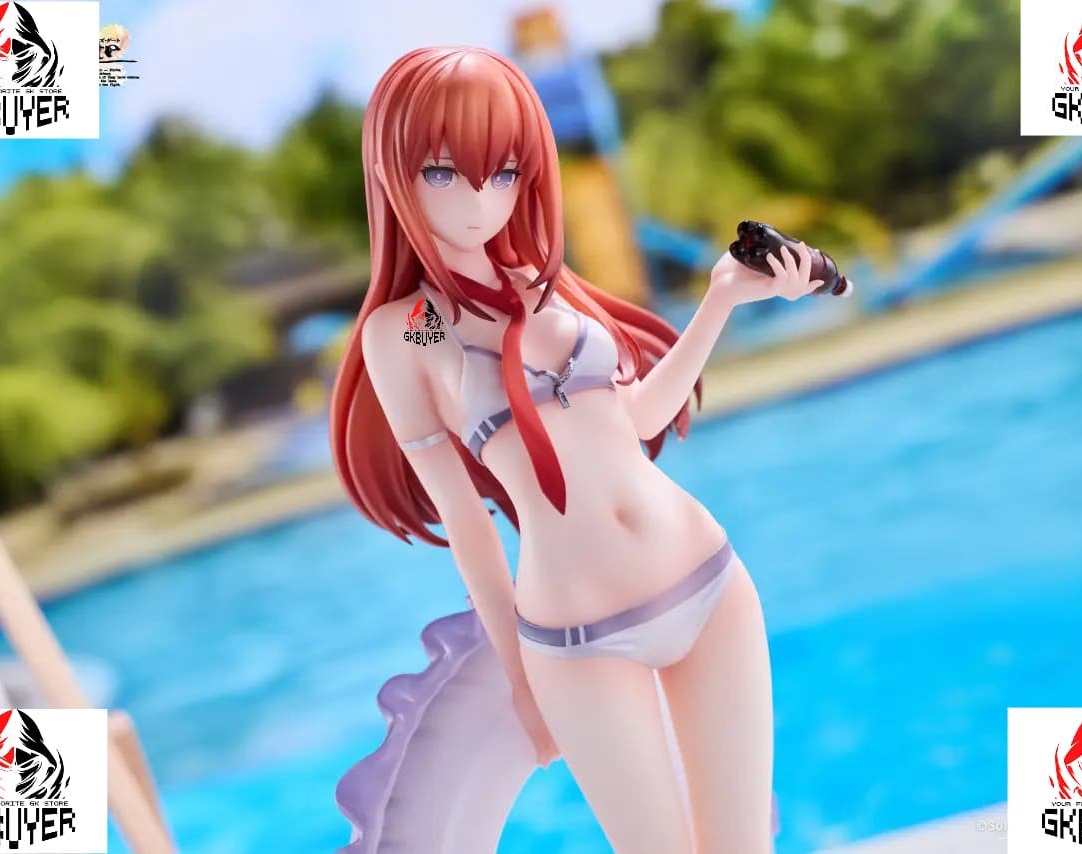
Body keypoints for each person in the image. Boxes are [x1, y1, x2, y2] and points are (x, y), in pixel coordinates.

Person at [331, 46, 819, 854]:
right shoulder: (412, 328)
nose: (480, 201)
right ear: (393, 172)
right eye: (444, 172)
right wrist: (522, 680)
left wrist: (721, 300)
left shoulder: (540, 280)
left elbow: (635, 413)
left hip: (708, 580)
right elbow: (467, 519)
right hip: (580, 638)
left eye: (503, 171)